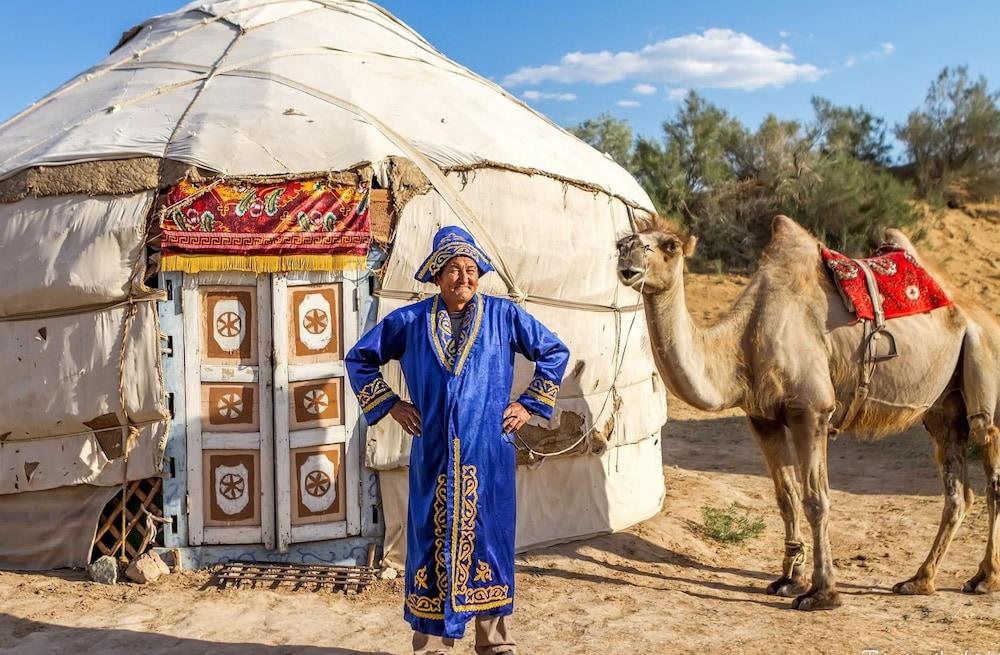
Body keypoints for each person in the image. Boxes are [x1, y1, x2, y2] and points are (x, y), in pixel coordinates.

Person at [346, 226, 569, 655]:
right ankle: (429, 646)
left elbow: (554, 352)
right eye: (453, 269)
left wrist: (527, 405)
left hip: (488, 453)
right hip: (432, 455)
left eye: (470, 269)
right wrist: (392, 404)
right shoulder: (409, 322)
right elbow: (360, 358)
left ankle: (494, 643)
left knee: (491, 540)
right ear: (436, 275)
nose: (463, 277)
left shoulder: (505, 317)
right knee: (429, 545)